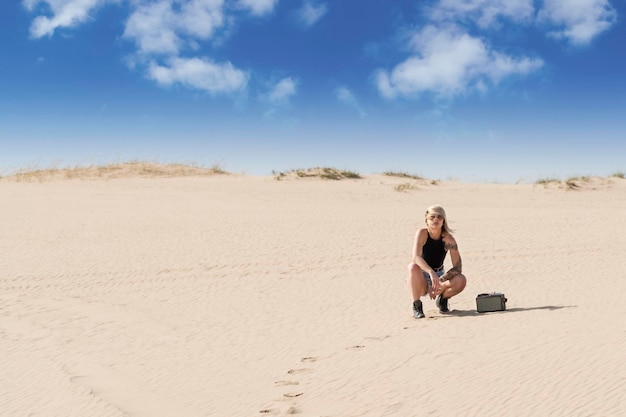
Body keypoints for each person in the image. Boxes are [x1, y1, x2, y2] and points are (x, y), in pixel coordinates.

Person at [407, 205, 467, 318]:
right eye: (432, 217)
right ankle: (417, 306)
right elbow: (416, 257)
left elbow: (457, 267)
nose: (436, 220)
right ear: (426, 221)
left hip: (439, 274)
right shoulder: (422, 233)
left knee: (461, 279)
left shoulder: (448, 239)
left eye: (439, 217)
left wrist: (440, 280)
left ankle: (443, 299)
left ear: (443, 221)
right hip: (421, 276)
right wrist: (430, 272)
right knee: (412, 267)